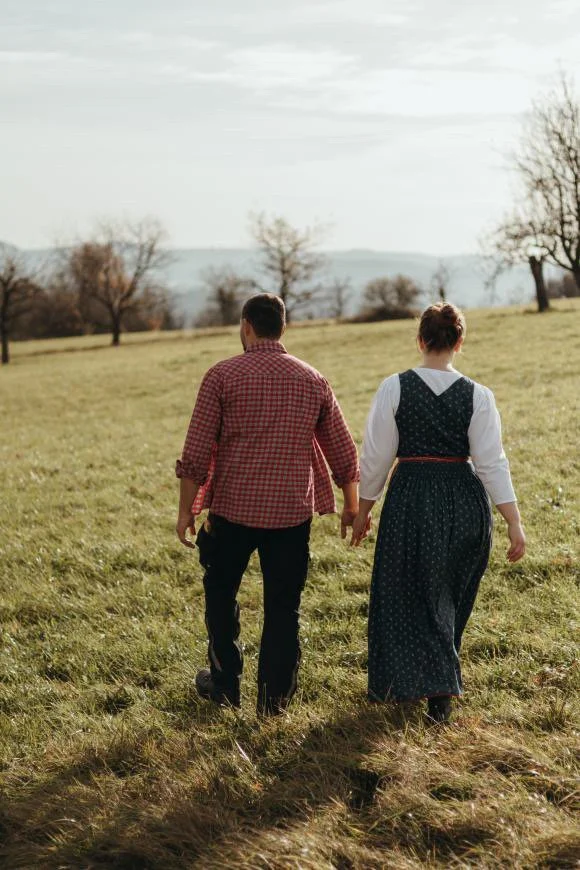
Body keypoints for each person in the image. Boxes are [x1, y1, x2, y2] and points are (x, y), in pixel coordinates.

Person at [176, 293, 360, 716]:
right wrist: (350, 504)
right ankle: (274, 700)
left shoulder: (221, 376)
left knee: (220, 597)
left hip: (232, 513)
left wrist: (186, 511)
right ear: (283, 327)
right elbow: (342, 449)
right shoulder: (312, 378)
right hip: (291, 515)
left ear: (246, 325)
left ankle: (225, 684)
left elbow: (196, 452)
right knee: (284, 606)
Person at [351, 302, 525, 723]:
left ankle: (425, 686)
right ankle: (435, 689)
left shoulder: (394, 387)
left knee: (409, 595)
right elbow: (491, 463)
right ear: (459, 342)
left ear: (420, 339)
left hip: (412, 498)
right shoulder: (478, 396)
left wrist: (363, 508)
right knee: (445, 596)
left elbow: (376, 457)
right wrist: (512, 520)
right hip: (465, 502)